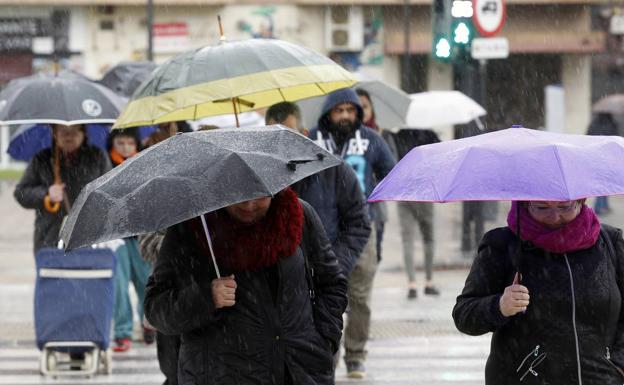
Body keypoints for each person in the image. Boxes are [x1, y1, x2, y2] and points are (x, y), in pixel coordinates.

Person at [144, 189, 348, 385]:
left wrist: (323, 340)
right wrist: (206, 297)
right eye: (239, 196)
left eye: (259, 196)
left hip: (298, 372)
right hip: (220, 374)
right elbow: (156, 306)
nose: (249, 205)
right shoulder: (194, 227)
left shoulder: (296, 215)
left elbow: (331, 282)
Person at [453, 199, 624, 384]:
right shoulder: (502, 245)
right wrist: (499, 306)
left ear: (580, 201)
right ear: (525, 204)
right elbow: (464, 315)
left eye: (565, 207)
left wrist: (618, 363)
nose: (554, 216)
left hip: (599, 378)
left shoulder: (610, 242)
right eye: (542, 208)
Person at [309, 88, 395, 379]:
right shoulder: (311, 141)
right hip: (320, 230)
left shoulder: (371, 140)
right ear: (328, 113)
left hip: (362, 229)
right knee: (324, 297)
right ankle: (326, 354)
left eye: (351, 110)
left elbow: (391, 172)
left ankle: (356, 355)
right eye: (339, 110)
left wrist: (372, 196)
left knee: (359, 298)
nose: (345, 115)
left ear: (358, 113)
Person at [266, 101, 371, 276]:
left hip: (325, 278)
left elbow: (358, 224)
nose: (280, 143)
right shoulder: (264, 175)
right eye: (272, 136)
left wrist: (335, 265)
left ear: (304, 134)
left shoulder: (334, 170)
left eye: (288, 134)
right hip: (281, 281)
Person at [14, 124, 111, 253]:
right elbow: (21, 192)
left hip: (89, 238)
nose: (69, 136)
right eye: (63, 131)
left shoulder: (98, 156)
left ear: (84, 134)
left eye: (74, 131)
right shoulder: (42, 159)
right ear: (54, 134)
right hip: (49, 239)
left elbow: (111, 192)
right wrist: (45, 193)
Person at [106, 128, 155, 352]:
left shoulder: (144, 162)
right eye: (120, 142)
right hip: (115, 236)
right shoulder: (106, 165)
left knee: (145, 281)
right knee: (119, 284)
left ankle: (148, 323)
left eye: (129, 142)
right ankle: (122, 331)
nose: (125, 147)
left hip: (141, 233)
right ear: (112, 143)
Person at [383, 128, 441, 299]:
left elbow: (390, 162)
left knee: (408, 239)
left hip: (404, 192)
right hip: (425, 193)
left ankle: (412, 284)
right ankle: (429, 282)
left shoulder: (396, 136)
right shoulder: (429, 135)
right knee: (428, 238)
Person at [356, 88, 387, 262]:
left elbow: (391, 167)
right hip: (356, 205)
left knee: (374, 254)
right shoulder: (342, 138)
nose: (361, 112)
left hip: (376, 205)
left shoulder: (380, 135)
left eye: (365, 106)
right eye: (357, 107)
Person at [587, 113, 620, 215]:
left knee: (600, 182)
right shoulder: (612, 124)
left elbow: (588, 137)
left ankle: (601, 206)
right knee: (606, 182)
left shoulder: (594, 124)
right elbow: (616, 139)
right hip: (608, 157)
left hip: (596, 156)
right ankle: (601, 206)